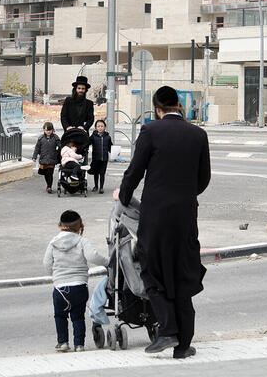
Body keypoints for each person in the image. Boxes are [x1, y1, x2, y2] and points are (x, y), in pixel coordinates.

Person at [115, 86, 210, 359]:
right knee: (183, 272)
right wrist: (184, 196)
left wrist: (123, 197)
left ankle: (167, 330)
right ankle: (183, 345)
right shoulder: (198, 135)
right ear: (177, 105)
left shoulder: (151, 131)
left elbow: (134, 171)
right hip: (185, 216)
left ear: (157, 108)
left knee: (152, 269)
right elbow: (203, 178)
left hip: (156, 215)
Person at [43, 210, 108, 353]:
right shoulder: (81, 241)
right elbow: (93, 256)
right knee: (78, 317)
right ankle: (79, 345)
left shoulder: (53, 242)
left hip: (60, 288)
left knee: (60, 316)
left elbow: (47, 263)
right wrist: (108, 262)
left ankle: (63, 342)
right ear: (80, 226)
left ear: (60, 225)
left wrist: (55, 276)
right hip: (79, 286)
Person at [32, 122, 61, 194]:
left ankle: (49, 186)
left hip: (52, 159)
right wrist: (34, 157)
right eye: (46, 130)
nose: (48, 132)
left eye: (49, 130)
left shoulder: (55, 137)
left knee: (50, 173)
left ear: (52, 130)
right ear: (44, 130)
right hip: (43, 159)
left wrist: (57, 153)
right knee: (45, 173)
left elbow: (60, 146)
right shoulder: (41, 138)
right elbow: (37, 148)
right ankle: (48, 185)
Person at [88, 119, 112, 194]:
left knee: (102, 173)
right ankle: (96, 186)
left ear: (105, 127)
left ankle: (101, 187)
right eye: (98, 126)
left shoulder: (108, 137)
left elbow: (110, 147)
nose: (100, 128)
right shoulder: (93, 137)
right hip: (96, 158)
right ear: (95, 128)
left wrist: (115, 152)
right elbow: (88, 143)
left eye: (102, 126)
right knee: (96, 173)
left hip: (104, 158)